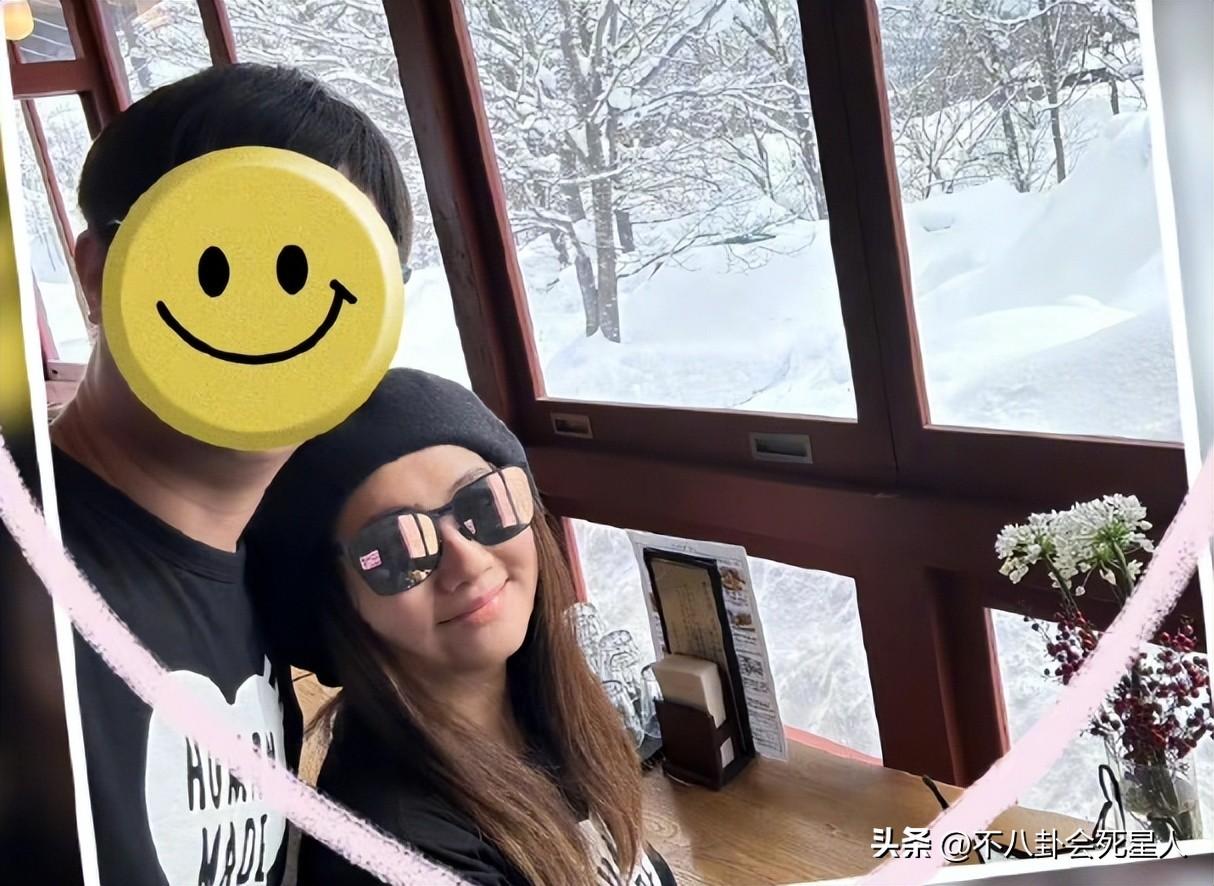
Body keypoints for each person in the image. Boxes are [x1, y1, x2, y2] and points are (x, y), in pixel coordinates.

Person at [49, 63, 413, 886]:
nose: (264, 313)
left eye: (318, 267)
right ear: (100, 273)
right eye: (216, 264)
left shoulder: (264, 578)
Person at [246, 369, 676, 886]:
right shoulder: (402, 854)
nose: (468, 562)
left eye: (484, 502)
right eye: (398, 549)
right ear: (340, 601)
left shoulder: (546, 712)